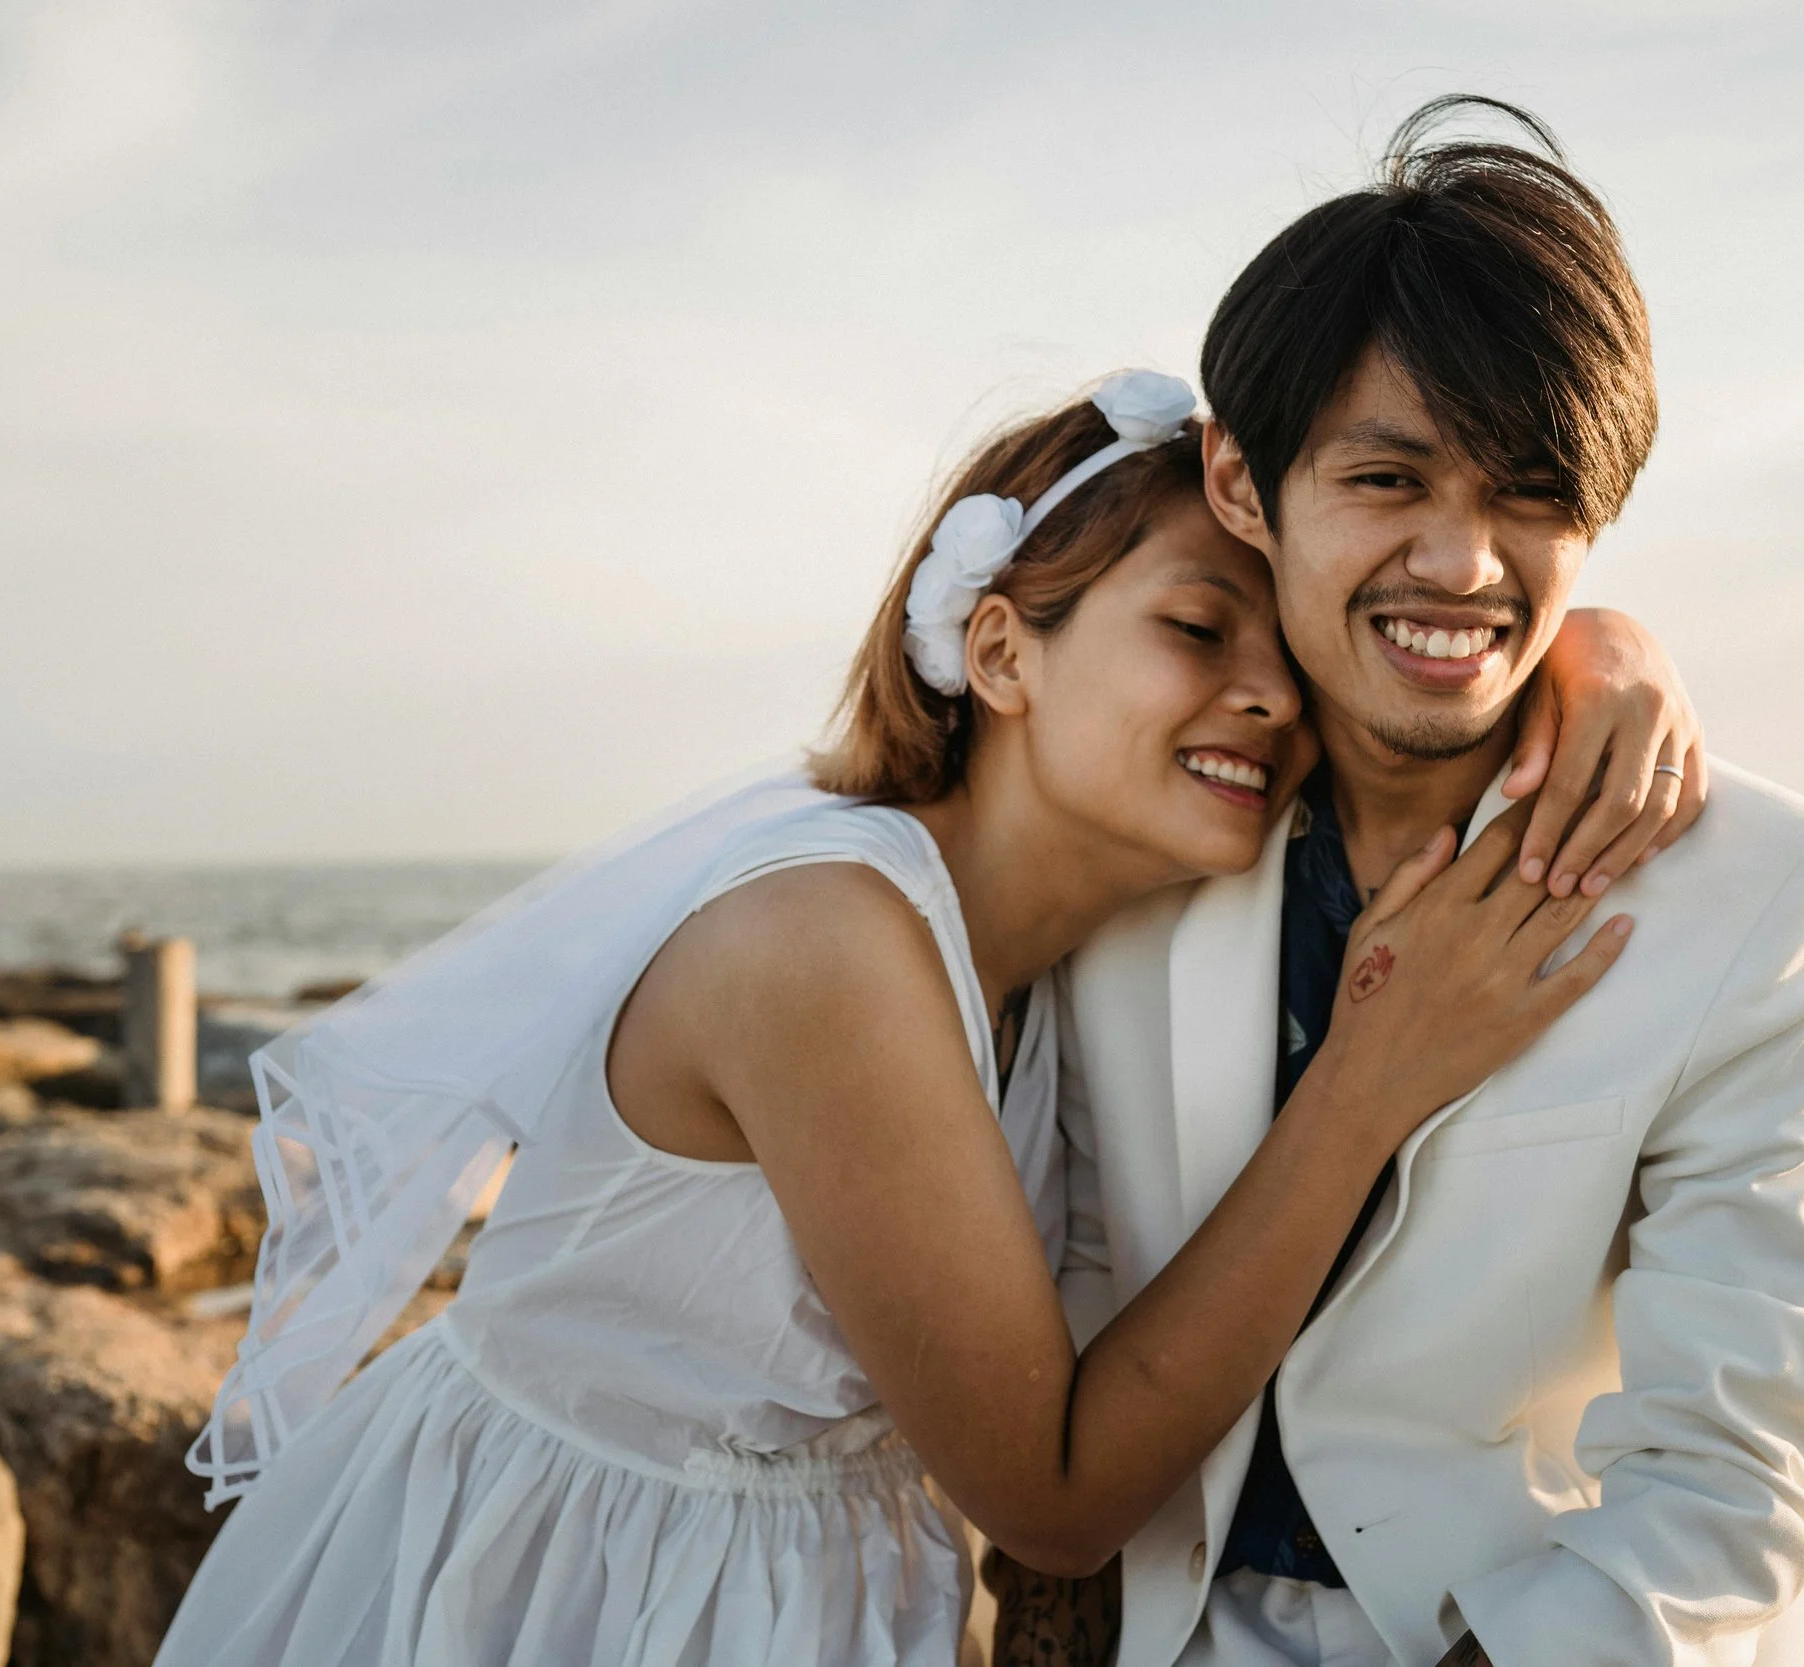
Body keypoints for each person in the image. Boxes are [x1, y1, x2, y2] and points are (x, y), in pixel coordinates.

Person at [150, 361, 1704, 1667]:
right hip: (545, 1588)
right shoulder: (823, 940)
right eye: (1193, 630)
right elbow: (1051, 1490)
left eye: (1280, 647)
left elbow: (1428, 624)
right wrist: (1369, 1078)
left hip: (798, 1597)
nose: (1276, 696)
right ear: (1003, 647)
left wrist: (1602, 649)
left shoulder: (1071, 941)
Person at [1024, 99, 1804, 1667]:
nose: (1465, 562)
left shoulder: (1774, 896)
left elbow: (1734, 1473)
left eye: (1532, 494)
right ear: (1241, 479)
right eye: (1388, 480)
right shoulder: (1135, 865)